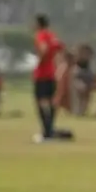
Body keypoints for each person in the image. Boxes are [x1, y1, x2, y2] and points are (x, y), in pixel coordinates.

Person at [31, 14, 73, 142]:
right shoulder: (52, 35)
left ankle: (47, 132)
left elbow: (43, 48)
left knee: (40, 102)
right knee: (51, 102)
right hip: (51, 73)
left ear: (38, 24)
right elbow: (61, 47)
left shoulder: (41, 35)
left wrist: (41, 59)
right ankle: (50, 130)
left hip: (42, 73)